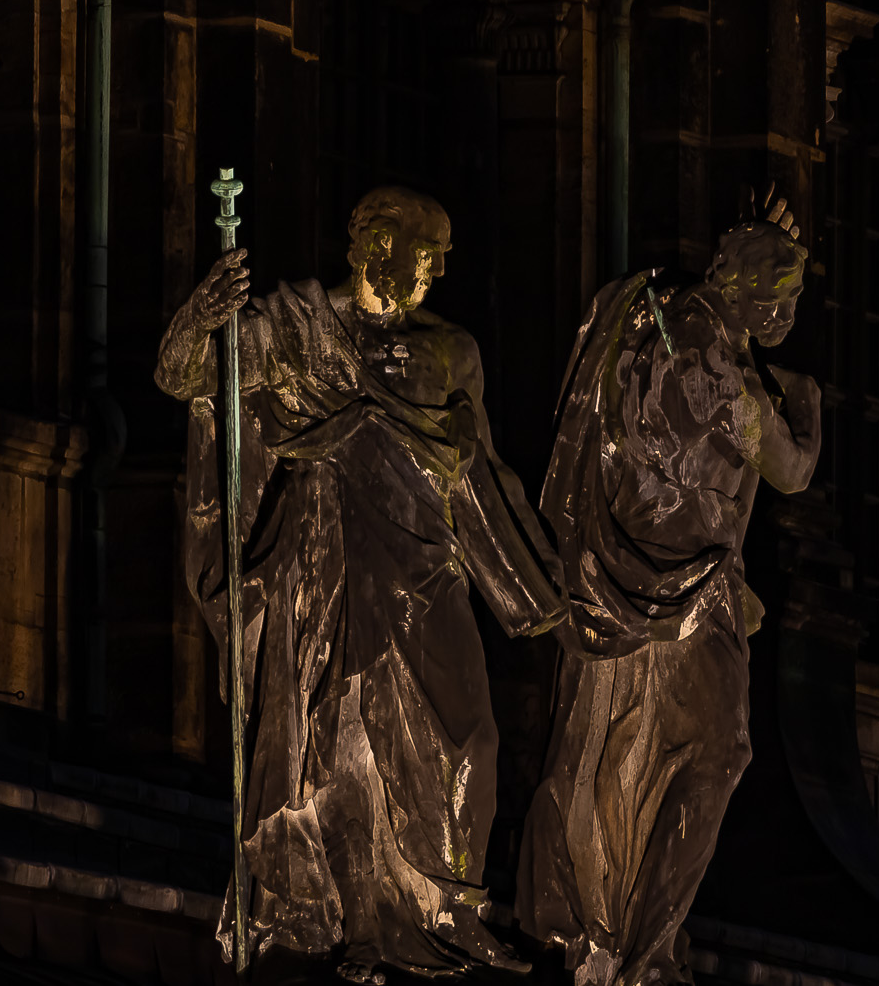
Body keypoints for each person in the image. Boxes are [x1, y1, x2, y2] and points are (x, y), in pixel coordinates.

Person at [156, 186, 562, 982]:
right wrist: (201, 316)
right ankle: (363, 925)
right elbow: (184, 377)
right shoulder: (296, 331)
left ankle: (451, 909)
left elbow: (482, 475)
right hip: (329, 562)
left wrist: (542, 590)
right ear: (380, 247)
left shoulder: (452, 351)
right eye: (429, 250)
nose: (439, 270)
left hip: (426, 568)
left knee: (470, 738)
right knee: (341, 744)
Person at [518, 196, 822, 986]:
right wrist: (811, 407)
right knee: (718, 752)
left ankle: (603, 930)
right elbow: (791, 468)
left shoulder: (643, 309)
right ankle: (646, 951)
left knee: (614, 750)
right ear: (753, 294)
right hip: (688, 591)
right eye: (784, 299)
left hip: (609, 575)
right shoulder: (722, 363)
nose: (790, 314)